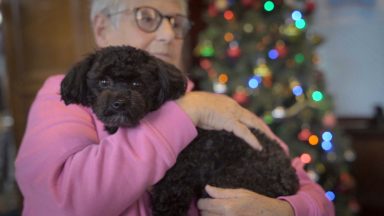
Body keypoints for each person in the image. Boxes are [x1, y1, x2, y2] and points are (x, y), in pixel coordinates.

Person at [14, 0, 335, 215]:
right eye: (147, 17)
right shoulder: (60, 97)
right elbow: (60, 201)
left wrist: (286, 210)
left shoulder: (210, 103)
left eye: (177, 23)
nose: (168, 35)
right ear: (101, 28)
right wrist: (187, 112)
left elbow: (314, 194)